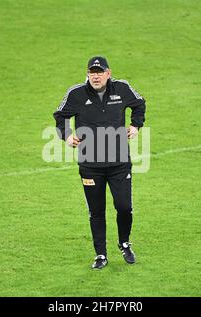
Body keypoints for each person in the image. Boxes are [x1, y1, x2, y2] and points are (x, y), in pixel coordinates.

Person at [53, 56, 146, 269]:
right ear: (87, 74)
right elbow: (60, 115)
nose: (95, 76)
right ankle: (101, 255)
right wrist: (66, 136)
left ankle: (124, 243)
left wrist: (136, 125)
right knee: (96, 211)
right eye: (91, 72)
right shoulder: (76, 94)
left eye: (99, 71)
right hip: (90, 165)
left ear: (108, 73)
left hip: (119, 162)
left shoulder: (122, 89)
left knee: (124, 207)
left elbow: (139, 104)